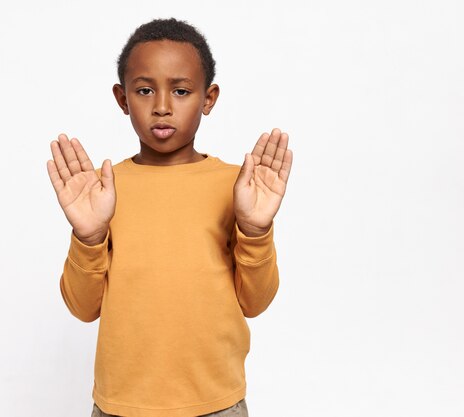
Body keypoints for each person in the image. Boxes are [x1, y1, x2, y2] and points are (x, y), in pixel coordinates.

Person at [47, 17, 293, 417]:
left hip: (216, 403)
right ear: (122, 98)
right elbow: (83, 307)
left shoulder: (239, 187)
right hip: (121, 406)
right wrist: (88, 237)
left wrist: (255, 230)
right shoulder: (102, 190)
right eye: (144, 90)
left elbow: (255, 301)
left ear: (208, 98)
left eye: (181, 91)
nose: (162, 106)